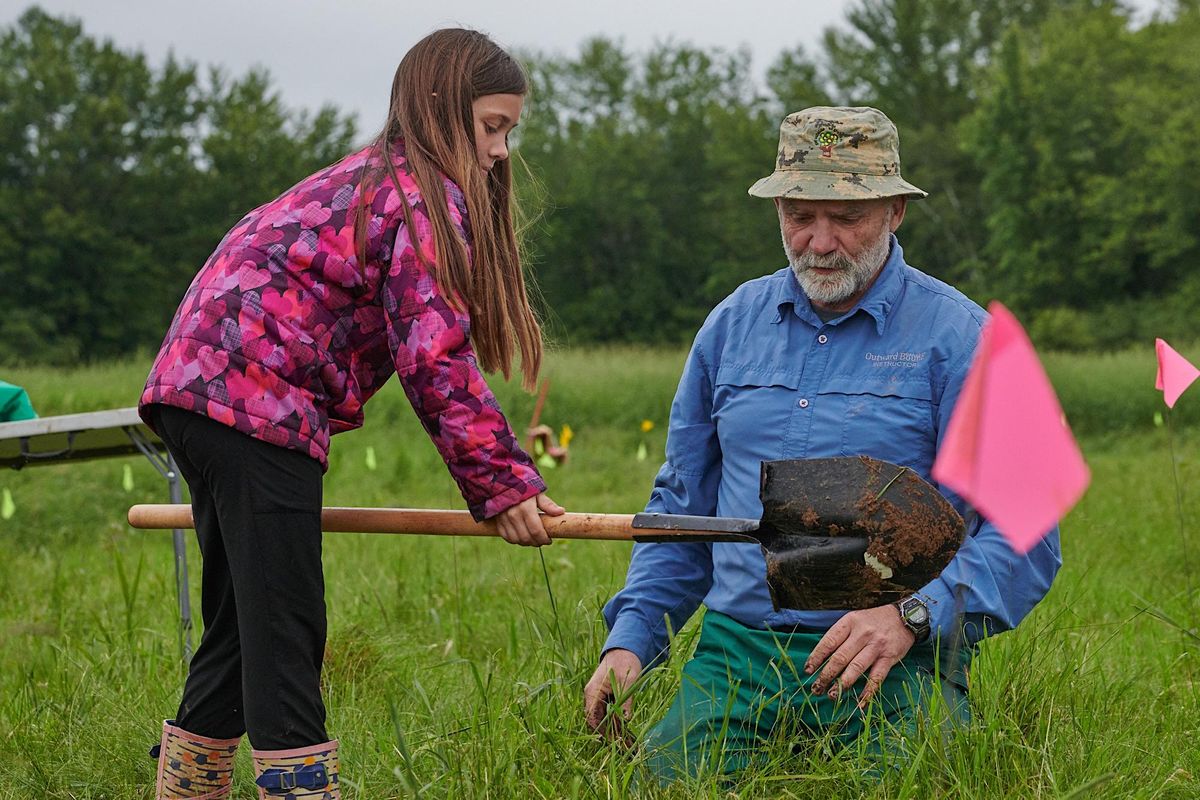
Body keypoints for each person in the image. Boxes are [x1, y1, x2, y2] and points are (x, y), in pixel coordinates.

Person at [139, 28, 562, 799]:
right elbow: (434, 355)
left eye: (510, 129)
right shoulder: (421, 198)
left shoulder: (375, 181)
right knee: (286, 632)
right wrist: (502, 481)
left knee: (243, 626)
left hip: (196, 393)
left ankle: (185, 792)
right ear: (440, 113)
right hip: (250, 401)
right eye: (491, 126)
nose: (502, 150)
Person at [583, 106, 1062, 780]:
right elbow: (682, 511)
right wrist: (631, 643)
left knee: (915, 784)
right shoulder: (728, 329)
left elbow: (1029, 534)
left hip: (894, 659)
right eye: (800, 215)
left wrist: (909, 617)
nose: (820, 241)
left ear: (896, 210)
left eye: (846, 216)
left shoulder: (967, 341)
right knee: (664, 785)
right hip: (738, 657)